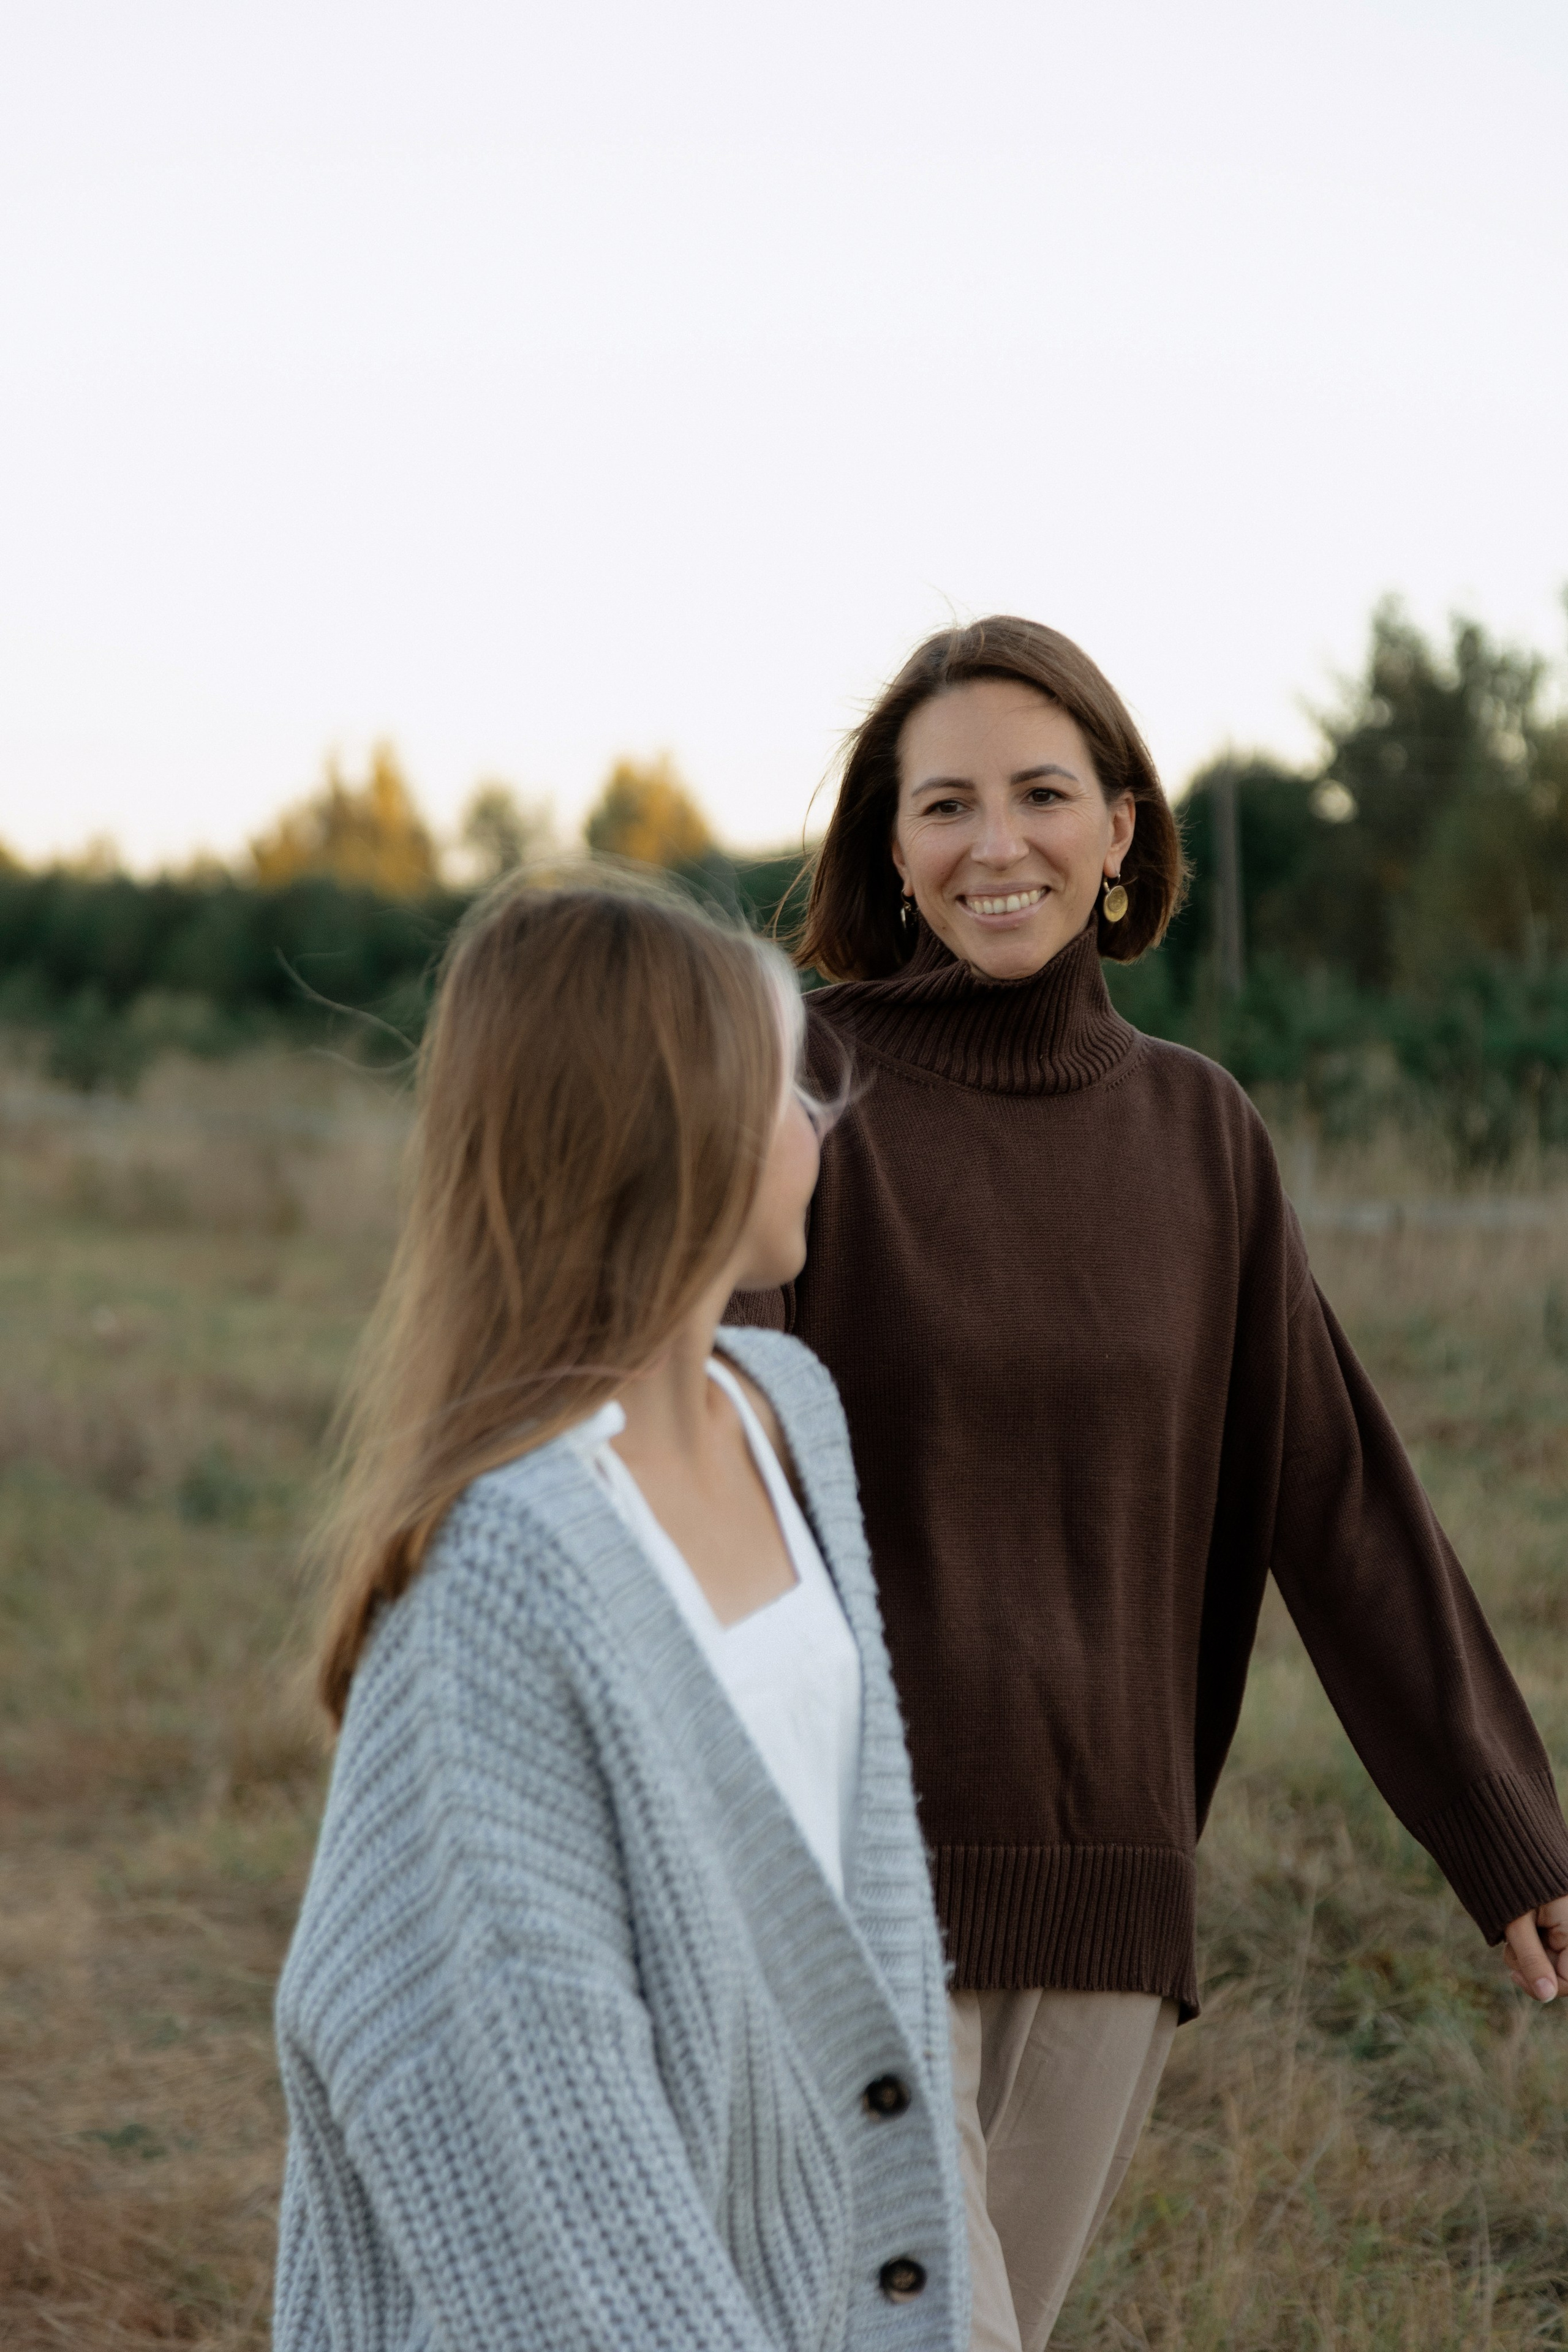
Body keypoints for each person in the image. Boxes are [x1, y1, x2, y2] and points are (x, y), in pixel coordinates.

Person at [728, 616, 1568, 2352]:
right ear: (888, 849)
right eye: (943, 804)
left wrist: (1504, 1827)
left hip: (1114, 1891)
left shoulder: (1203, 1136)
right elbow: (690, 1463)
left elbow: (1333, 1499)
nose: (996, 844)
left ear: (1124, 830)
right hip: (844, 1885)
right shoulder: (795, 1093)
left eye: (1043, 794)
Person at [273, 880, 969, 2352]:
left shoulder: (785, 1410)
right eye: (784, 1084)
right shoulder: (503, 1572)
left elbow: (868, 1893)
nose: (820, 1124)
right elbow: (545, 2127)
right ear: (682, 1127)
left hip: (821, 2278)